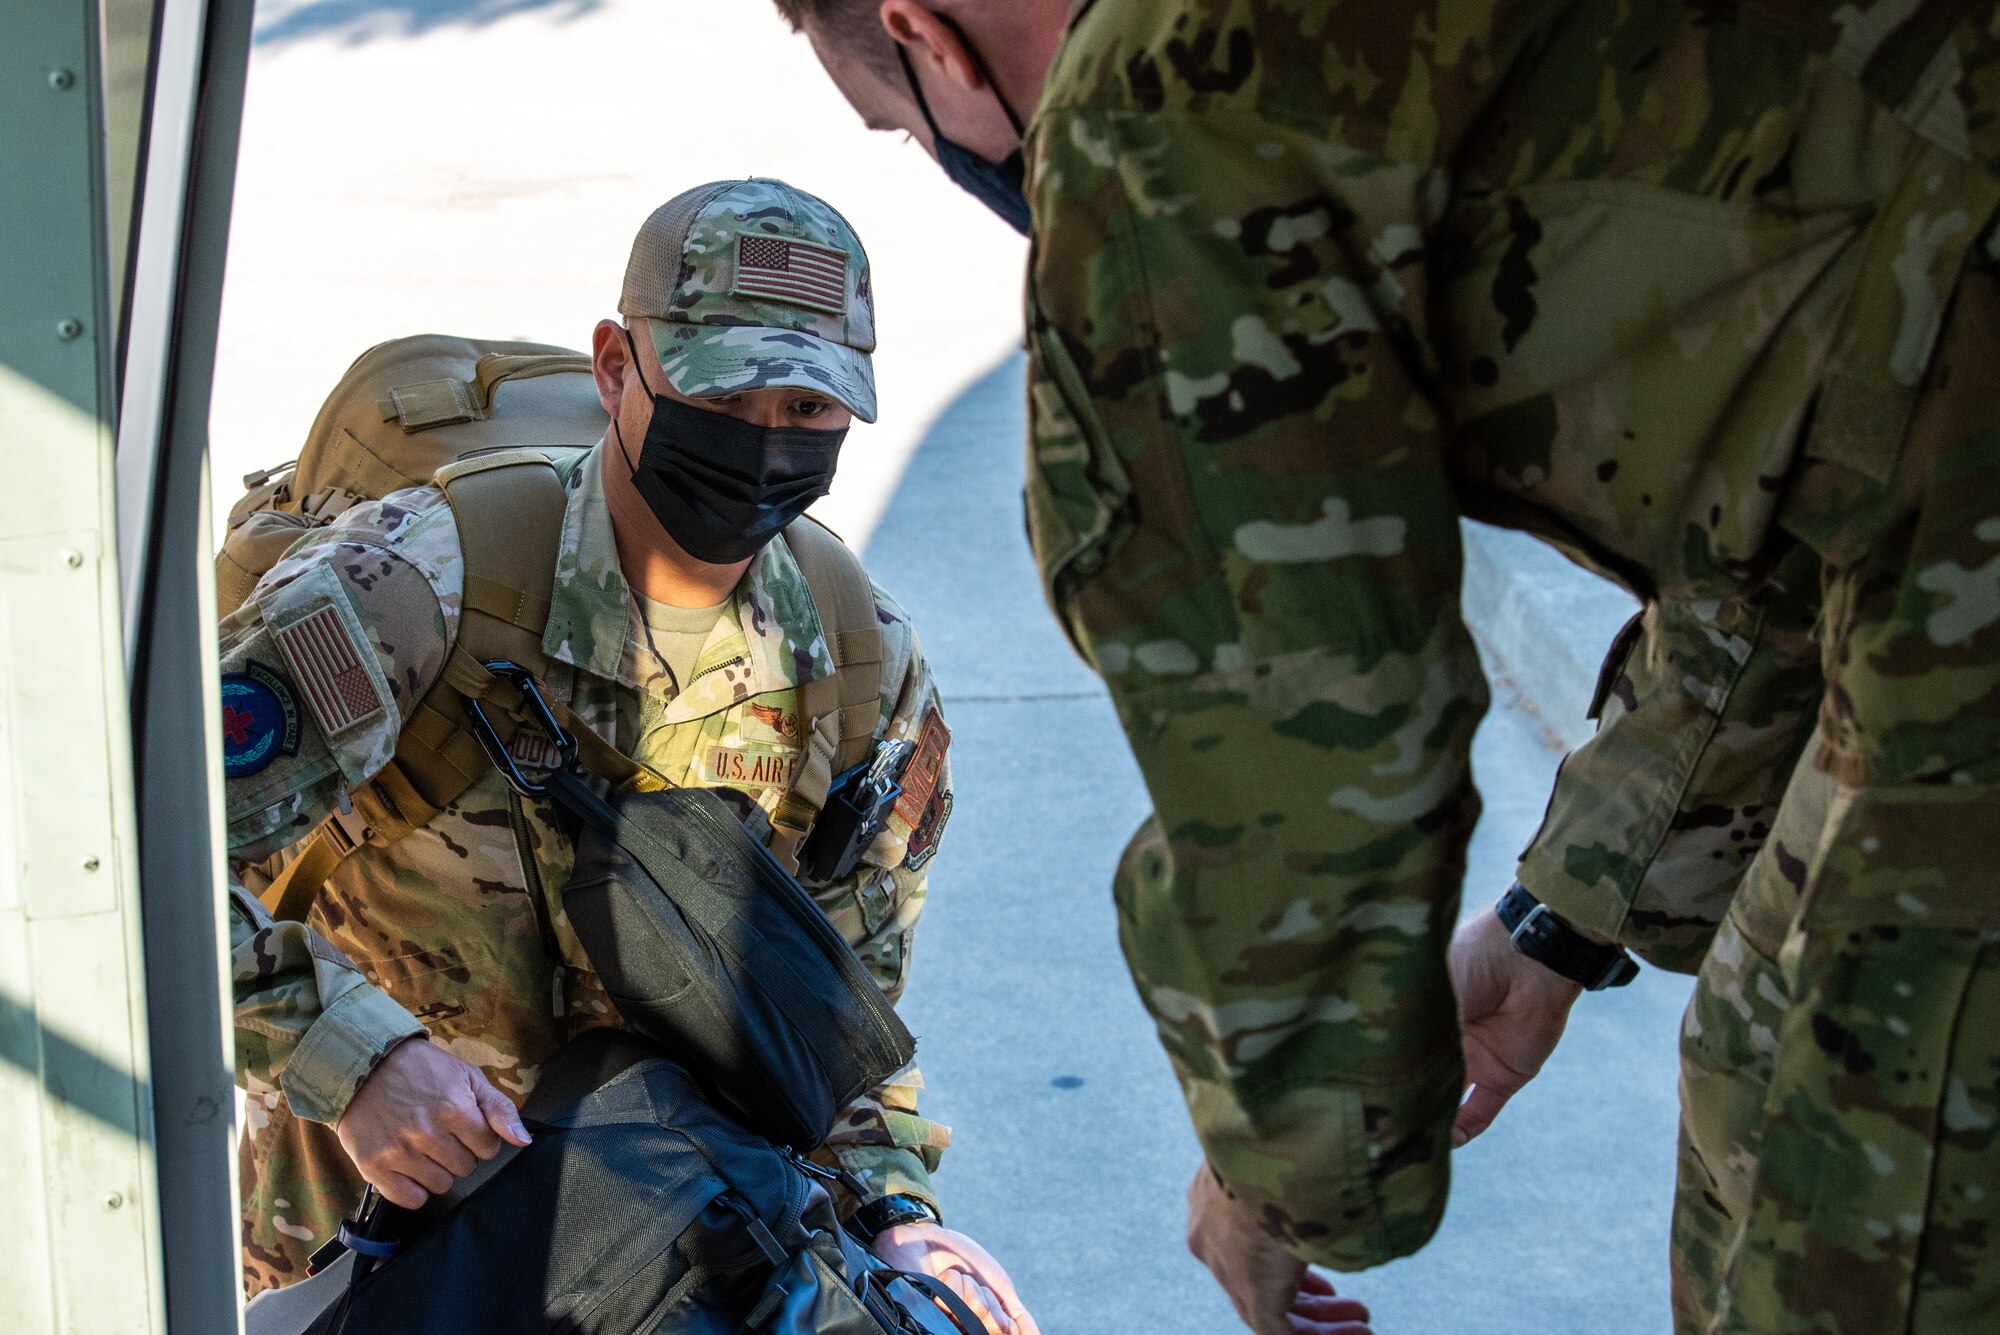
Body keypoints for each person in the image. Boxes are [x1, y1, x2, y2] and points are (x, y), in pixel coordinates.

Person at [774, 2, 2000, 1332]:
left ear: (927, 34)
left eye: (905, 127)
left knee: (1860, 1205)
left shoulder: (1154, 112)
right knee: (1765, 1081)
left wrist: (1272, 1184)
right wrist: (1558, 919)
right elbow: (1796, 499)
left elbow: (1308, 774)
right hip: (1934, 491)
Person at [222, 177, 1038, 1335]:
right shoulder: (419, 585)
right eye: (726, 397)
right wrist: (352, 1059)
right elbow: (137, 862)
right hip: (361, 1235)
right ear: (616, 367)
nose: (764, 447)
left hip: (651, 1263)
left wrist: (894, 1215)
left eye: (808, 412)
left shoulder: (859, 660)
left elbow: (838, 1019)